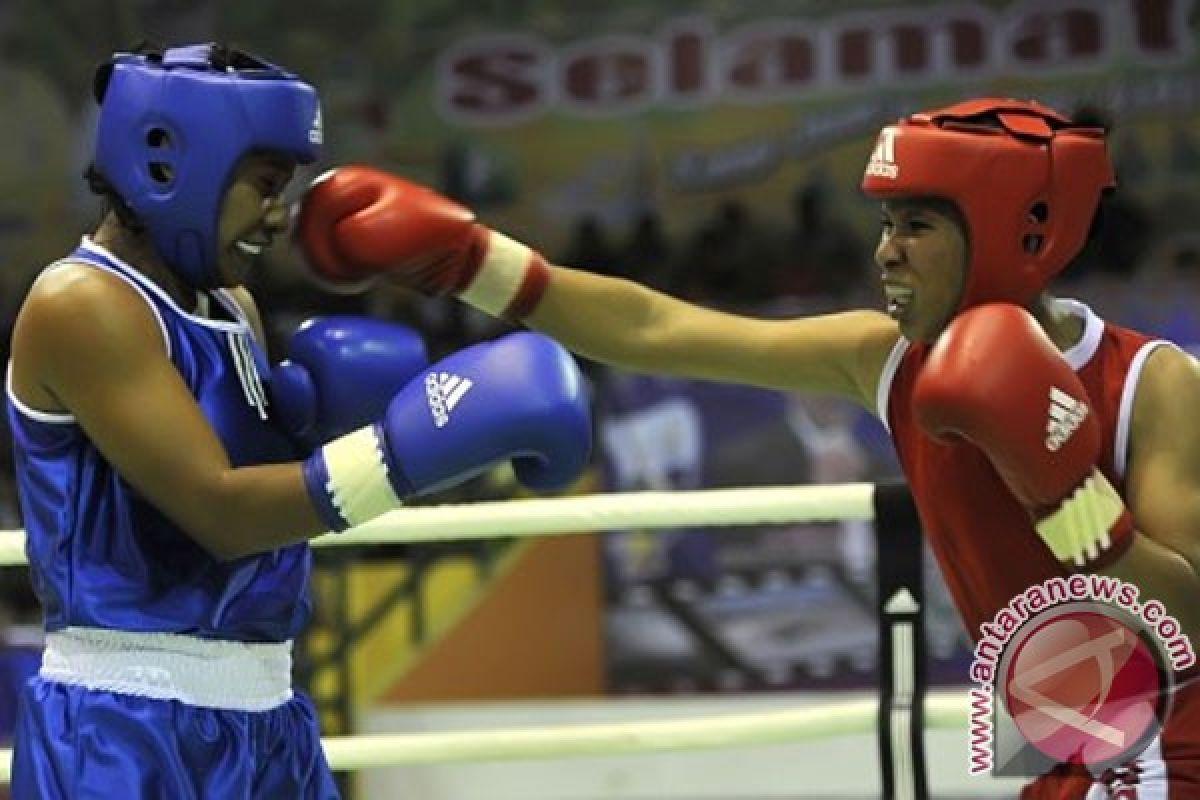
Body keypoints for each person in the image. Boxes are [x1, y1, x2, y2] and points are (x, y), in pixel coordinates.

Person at [295, 97, 1200, 798]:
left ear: (1015, 234)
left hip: (1168, 741)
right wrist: (473, 262)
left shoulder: (1151, 382)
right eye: (885, 225)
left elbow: (1190, 622)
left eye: (916, 227)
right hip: (1062, 737)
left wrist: (1065, 497)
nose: (885, 254)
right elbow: (657, 328)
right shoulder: (882, 361)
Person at [3, 43, 591, 799]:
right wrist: (400, 455)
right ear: (168, 163)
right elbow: (220, 512)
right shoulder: (83, 306)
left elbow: (276, 499)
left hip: (268, 714)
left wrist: (319, 424)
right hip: (125, 726)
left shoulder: (231, 306)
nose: (282, 216)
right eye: (267, 186)